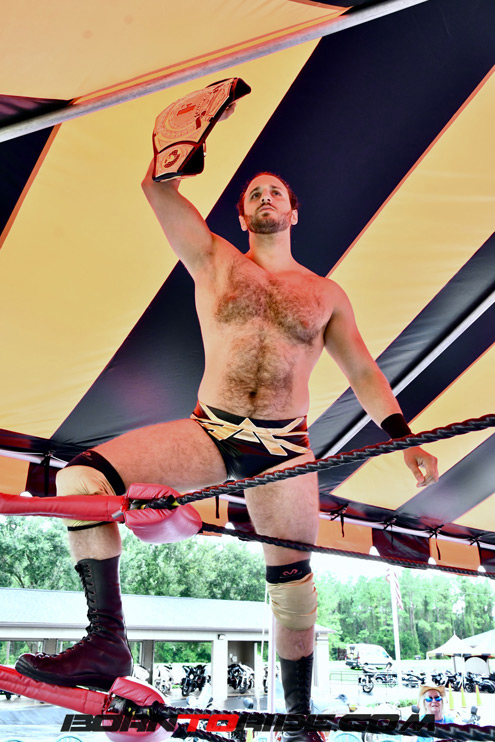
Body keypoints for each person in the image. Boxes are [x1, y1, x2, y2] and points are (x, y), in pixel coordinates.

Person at [15, 105, 438, 742]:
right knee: (81, 480)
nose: (265, 197)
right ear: (242, 216)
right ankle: (106, 641)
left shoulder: (326, 294)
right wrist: (179, 144)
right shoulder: (214, 258)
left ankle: (299, 722)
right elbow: (158, 191)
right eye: (254, 193)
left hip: (286, 447)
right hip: (209, 431)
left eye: (276, 192)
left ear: (293, 213)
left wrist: (404, 440)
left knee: (293, 585)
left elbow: (362, 369)